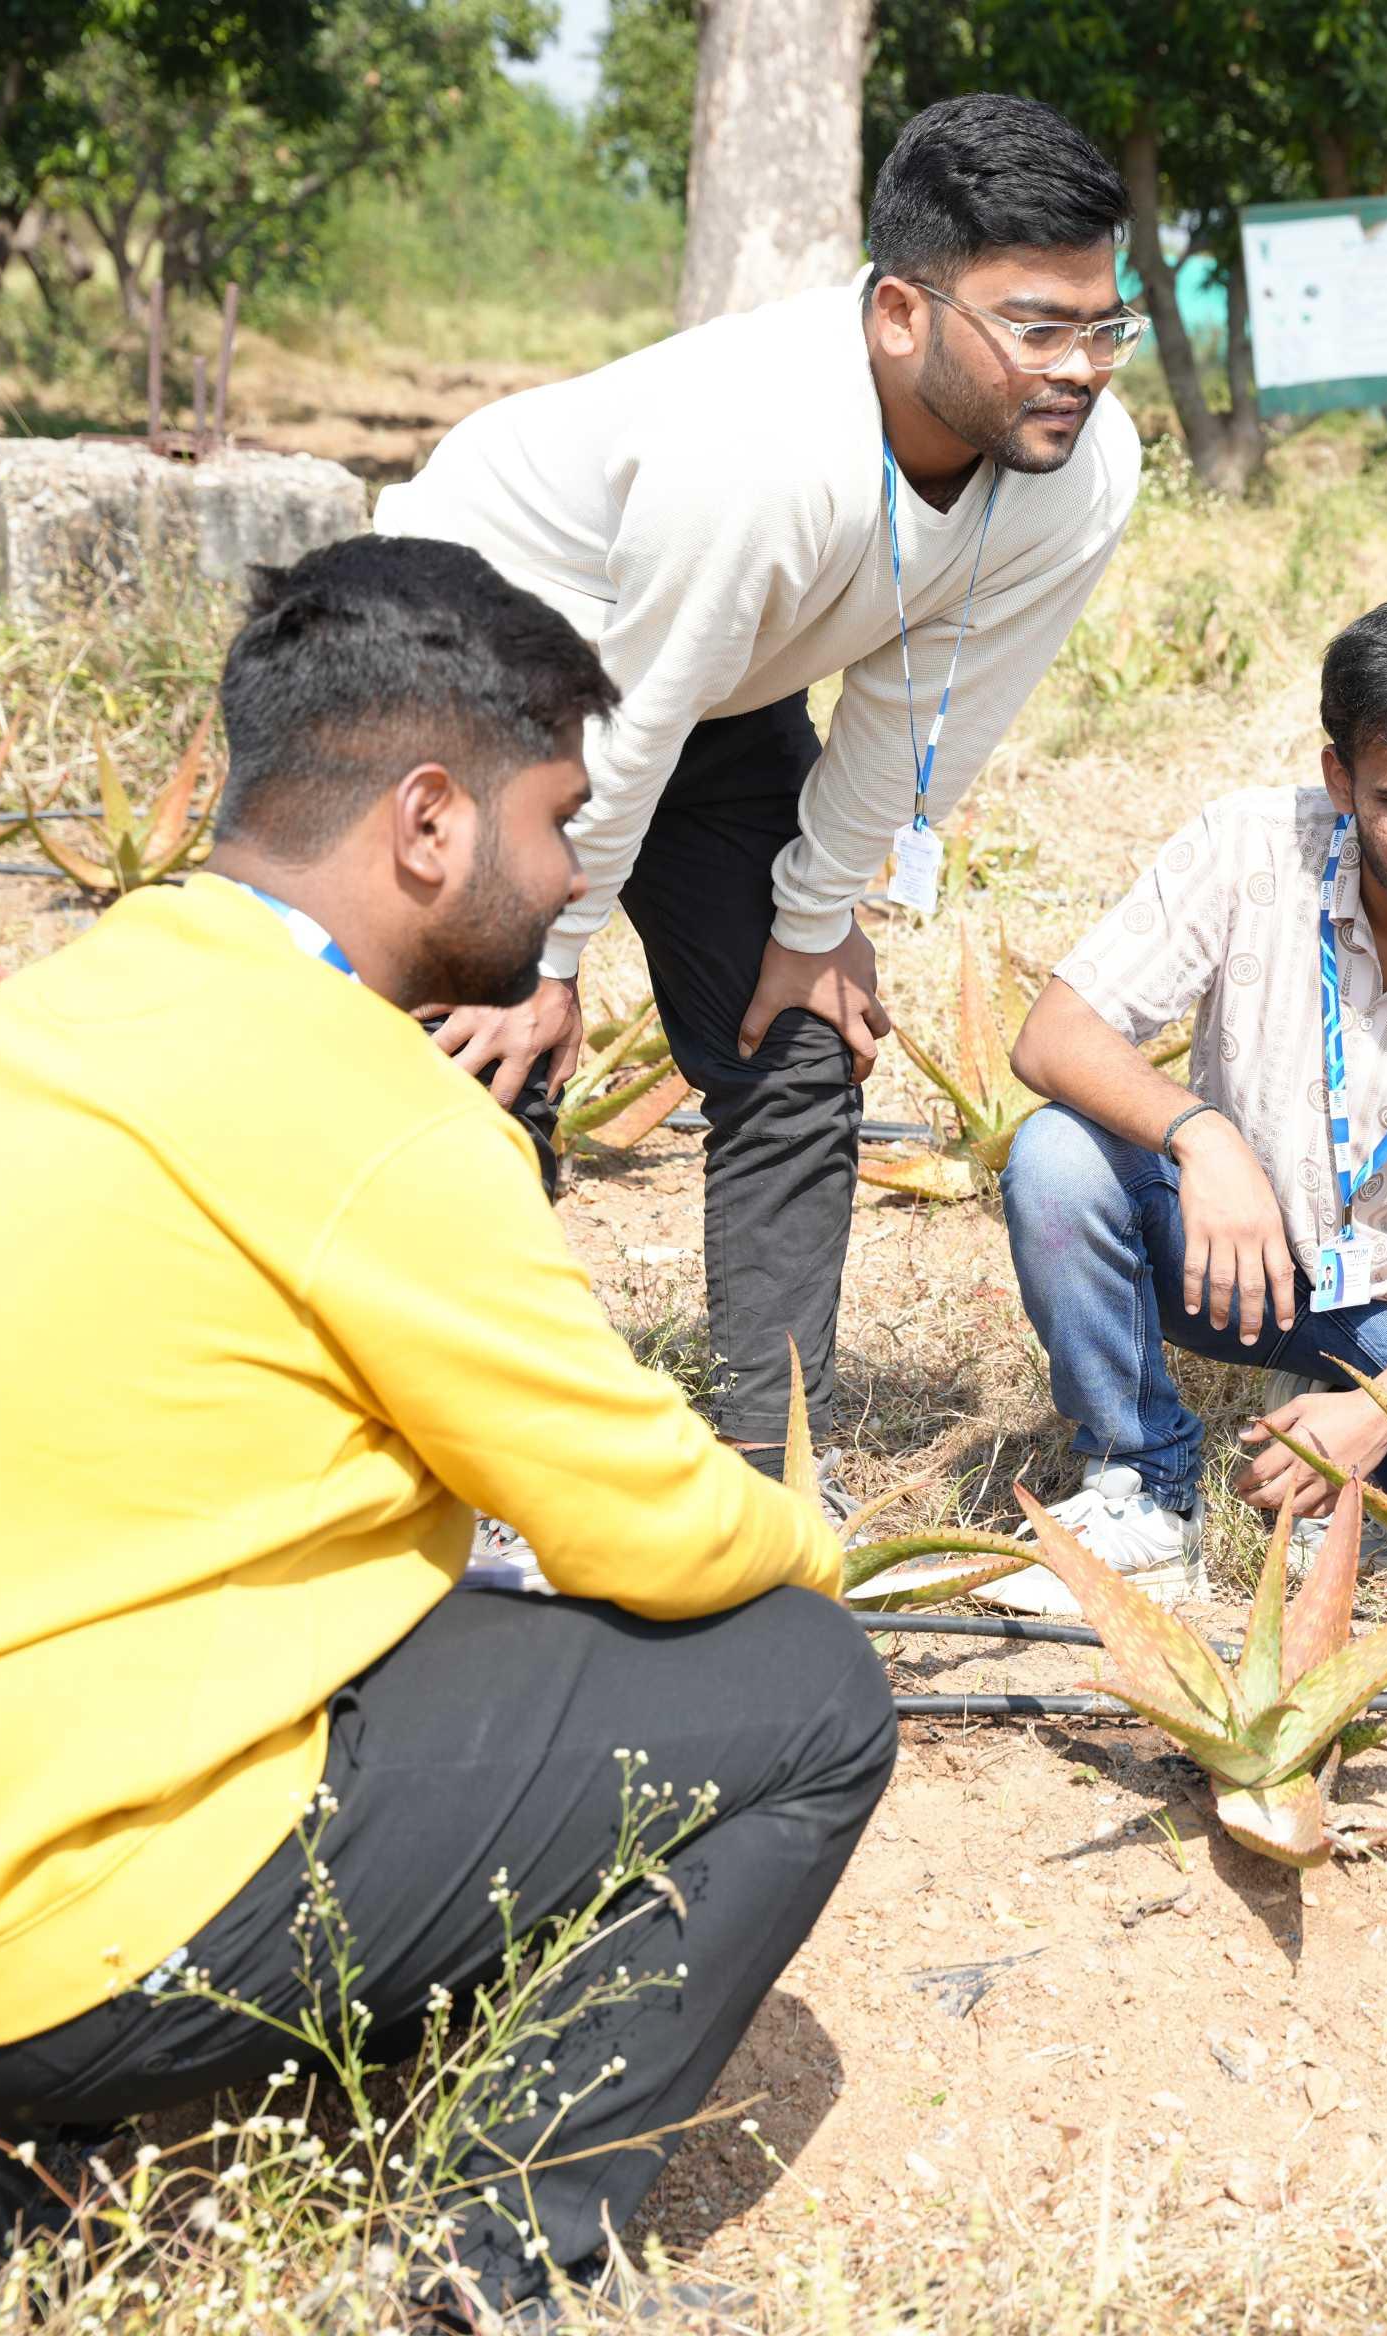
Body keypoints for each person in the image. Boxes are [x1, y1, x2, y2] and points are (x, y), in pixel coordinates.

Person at [0, 539, 892, 2323]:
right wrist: (817, 1548)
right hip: (43, 1924)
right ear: (428, 819)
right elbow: (644, 1521)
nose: (574, 875)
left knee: (455, 1629)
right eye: (558, 821)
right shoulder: (373, 1106)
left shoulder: (49, 1012)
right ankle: (495, 2258)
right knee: (807, 1695)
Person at [375, 91, 1145, 1469]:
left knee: (797, 1038)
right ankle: (454, 1452)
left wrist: (815, 915)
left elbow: (922, 709)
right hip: (484, 642)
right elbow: (629, 712)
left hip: (710, 681)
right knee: (491, 1045)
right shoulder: (763, 447)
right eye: (1037, 328)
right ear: (900, 313)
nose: (1080, 368)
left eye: (1104, 326)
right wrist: (544, 955)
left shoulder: (1081, 470)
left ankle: (766, 1466)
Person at [991, 594, 1387, 1609]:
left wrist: (1382, 1412)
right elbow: (1054, 1034)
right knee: (1058, 1156)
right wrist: (1204, 1139)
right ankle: (1144, 1488)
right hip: (1227, 1254)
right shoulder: (1247, 847)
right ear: (1341, 778)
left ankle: (1350, 1446)